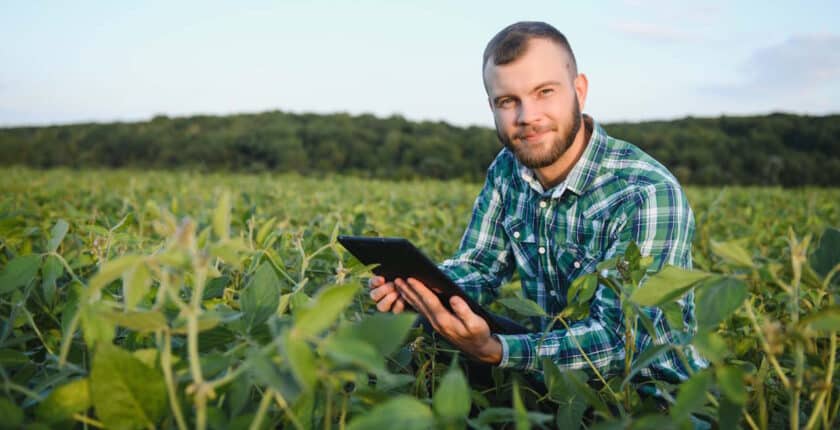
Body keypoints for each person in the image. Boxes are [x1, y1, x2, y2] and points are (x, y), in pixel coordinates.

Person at [368, 21, 705, 386]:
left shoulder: (645, 192)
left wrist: (498, 350)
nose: (527, 116)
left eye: (544, 92)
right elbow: (480, 266)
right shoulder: (508, 169)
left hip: (649, 398)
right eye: (507, 101)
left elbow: (624, 344)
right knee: (415, 332)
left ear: (580, 90)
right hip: (552, 378)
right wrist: (422, 289)